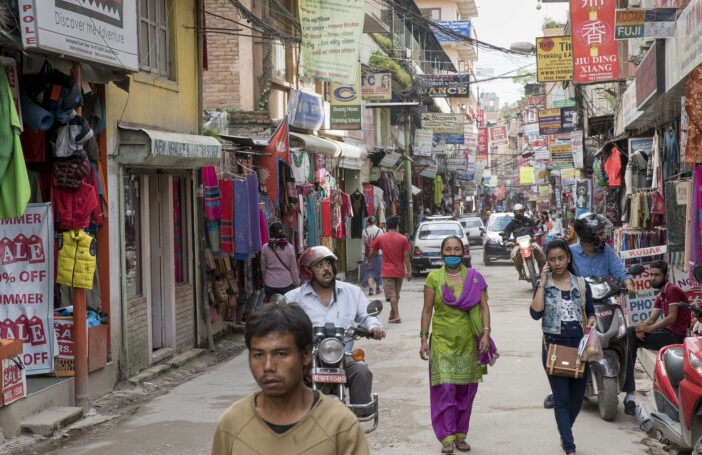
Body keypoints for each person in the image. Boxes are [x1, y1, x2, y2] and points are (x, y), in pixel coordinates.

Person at [210, 303, 370, 455]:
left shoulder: (340, 424)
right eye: (258, 355)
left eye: (281, 354)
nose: (268, 366)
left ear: (306, 354)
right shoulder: (232, 423)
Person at [543, 212, 635, 409]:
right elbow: (557, 274)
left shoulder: (607, 251)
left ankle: (630, 393)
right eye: (600, 233)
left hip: (604, 303)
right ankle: (556, 388)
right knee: (560, 339)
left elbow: (619, 271)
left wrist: (627, 281)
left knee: (624, 337)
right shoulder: (570, 253)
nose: (604, 236)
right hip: (577, 307)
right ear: (588, 235)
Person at [420, 235, 496, 454]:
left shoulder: (474, 277)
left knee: (465, 391)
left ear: (463, 252)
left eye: (457, 250)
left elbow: (483, 308)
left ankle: (461, 436)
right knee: (445, 389)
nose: (452, 254)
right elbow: (427, 310)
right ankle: (447, 437)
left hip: (467, 343)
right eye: (448, 250)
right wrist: (423, 338)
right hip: (442, 343)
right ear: (442, 253)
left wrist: (485, 333)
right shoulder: (433, 278)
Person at [285, 246, 385, 408]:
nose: (326, 268)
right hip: (307, 356)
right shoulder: (293, 298)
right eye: (319, 265)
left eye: (328, 264)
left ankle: (358, 415)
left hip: (342, 355)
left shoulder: (352, 292)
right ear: (307, 271)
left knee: (360, 370)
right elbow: (279, 321)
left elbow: (368, 315)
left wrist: (374, 328)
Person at [530, 238, 596, 455]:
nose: (557, 263)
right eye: (552, 260)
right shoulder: (544, 283)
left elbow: (591, 310)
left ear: (568, 258)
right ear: (546, 262)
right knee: (562, 398)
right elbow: (535, 313)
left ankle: (564, 431)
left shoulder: (581, 283)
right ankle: (570, 447)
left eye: (560, 258)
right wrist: (541, 281)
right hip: (553, 347)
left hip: (579, 348)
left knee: (576, 400)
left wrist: (593, 319)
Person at [622, 261, 691, 415]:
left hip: (675, 336)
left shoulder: (672, 290)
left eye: (657, 275)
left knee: (631, 335)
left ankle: (629, 391)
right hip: (667, 333)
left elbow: (672, 318)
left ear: (666, 276)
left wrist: (647, 329)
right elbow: (652, 319)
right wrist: (642, 327)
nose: (653, 278)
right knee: (632, 332)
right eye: (651, 274)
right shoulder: (661, 294)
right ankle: (629, 388)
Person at [367, 216, 411, 323]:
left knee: (391, 295)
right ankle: (392, 314)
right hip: (399, 271)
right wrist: (409, 271)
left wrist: (369, 260)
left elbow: (373, 251)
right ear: (397, 226)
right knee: (395, 294)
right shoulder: (403, 239)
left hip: (387, 271)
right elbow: (406, 256)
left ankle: (396, 316)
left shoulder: (382, 238)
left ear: (387, 226)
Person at [502, 203, 545, 280]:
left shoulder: (529, 220)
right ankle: (520, 273)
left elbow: (538, 227)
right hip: (518, 244)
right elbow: (506, 233)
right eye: (516, 212)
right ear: (514, 213)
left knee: (540, 252)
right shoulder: (511, 224)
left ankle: (543, 270)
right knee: (514, 256)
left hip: (531, 241)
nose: (518, 213)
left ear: (523, 212)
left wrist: (539, 231)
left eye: (520, 212)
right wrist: (505, 240)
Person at [260, 221, 300, 300]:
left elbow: (263, 268)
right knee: (285, 309)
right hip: (286, 284)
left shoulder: (265, 247)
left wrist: (269, 276)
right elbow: (293, 269)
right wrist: (297, 283)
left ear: (270, 232)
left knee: (272, 309)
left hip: (270, 284)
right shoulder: (289, 247)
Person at [361, 216, 383, 296]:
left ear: (368, 223)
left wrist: (363, 254)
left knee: (368, 271)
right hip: (378, 254)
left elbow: (363, 244)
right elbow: (382, 243)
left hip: (367, 254)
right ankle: (377, 288)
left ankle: (370, 289)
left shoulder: (364, 231)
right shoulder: (380, 231)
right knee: (378, 271)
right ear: (375, 222)